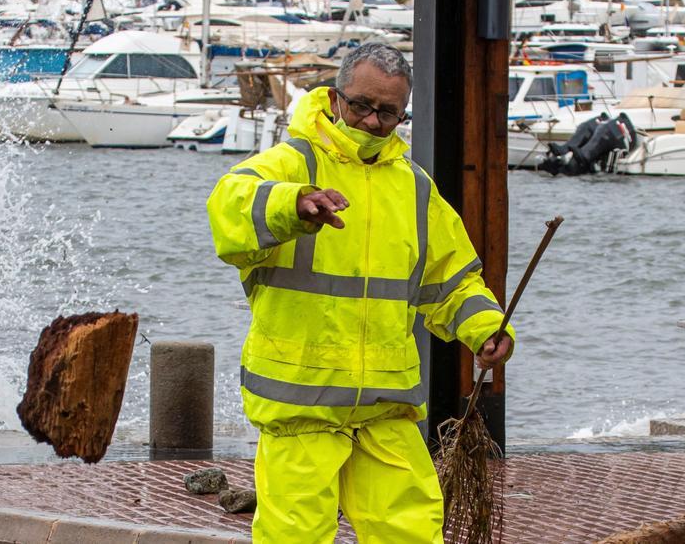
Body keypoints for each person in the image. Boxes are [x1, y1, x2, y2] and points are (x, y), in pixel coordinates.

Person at [206, 43, 515, 543]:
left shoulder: (414, 188)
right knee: (295, 537)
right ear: (334, 99)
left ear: (402, 112)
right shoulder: (288, 164)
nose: (372, 121)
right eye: (361, 106)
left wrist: (484, 329)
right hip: (301, 409)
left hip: (385, 407)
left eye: (388, 112)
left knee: (412, 533)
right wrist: (293, 205)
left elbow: (453, 280)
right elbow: (228, 209)